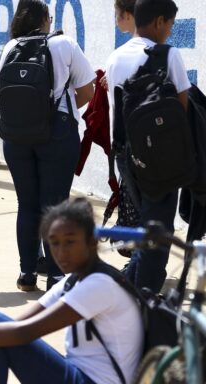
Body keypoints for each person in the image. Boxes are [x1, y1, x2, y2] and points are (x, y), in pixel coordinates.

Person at [0, 198, 143, 384]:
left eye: (70, 242)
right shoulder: (73, 281)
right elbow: (17, 325)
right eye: (54, 243)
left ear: (91, 241)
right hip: (78, 374)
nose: (61, 252)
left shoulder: (99, 284)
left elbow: (24, 333)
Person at [0, 0, 95, 291]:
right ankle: (56, 274)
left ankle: (27, 274)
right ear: (44, 19)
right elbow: (87, 89)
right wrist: (57, 112)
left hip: (16, 138)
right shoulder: (64, 44)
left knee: (26, 205)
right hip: (56, 135)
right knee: (54, 205)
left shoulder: (10, 46)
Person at [105, 0, 190, 293]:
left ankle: (129, 288)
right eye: (169, 25)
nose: (169, 31)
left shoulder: (115, 57)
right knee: (158, 233)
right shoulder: (169, 54)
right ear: (158, 22)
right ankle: (144, 302)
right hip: (160, 159)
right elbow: (182, 107)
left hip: (126, 155)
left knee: (145, 227)